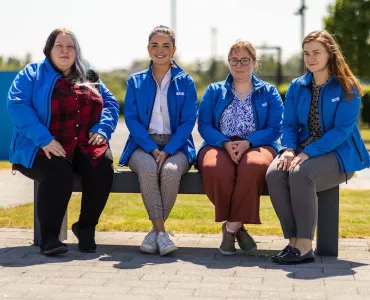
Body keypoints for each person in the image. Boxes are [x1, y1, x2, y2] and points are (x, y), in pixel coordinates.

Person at [8, 28, 119, 256]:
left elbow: (110, 103)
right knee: (58, 170)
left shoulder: (88, 73)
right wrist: (44, 140)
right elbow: (17, 106)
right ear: (49, 49)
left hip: (82, 143)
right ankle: (49, 237)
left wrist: (103, 129)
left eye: (70, 46)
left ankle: (86, 227)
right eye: (59, 46)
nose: (65, 51)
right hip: (42, 145)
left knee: (103, 166)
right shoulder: (32, 73)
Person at [266, 30, 370, 264]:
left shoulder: (348, 87)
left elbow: (341, 131)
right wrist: (290, 149)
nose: (310, 58)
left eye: (316, 53)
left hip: (338, 155)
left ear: (330, 54)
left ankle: (304, 246)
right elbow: (289, 124)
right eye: (306, 53)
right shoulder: (297, 86)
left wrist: (306, 154)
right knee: (274, 173)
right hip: (301, 149)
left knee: (301, 173)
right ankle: (293, 241)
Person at [197, 40, 284, 256]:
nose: (239, 65)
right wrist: (224, 143)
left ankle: (230, 227)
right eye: (234, 60)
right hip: (219, 143)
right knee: (214, 168)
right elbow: (205, 124)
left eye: (245, 60)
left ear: (254, 62)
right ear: (228, 62)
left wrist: (249, 142)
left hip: (258, 144)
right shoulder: (214, 91)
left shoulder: (269, 92)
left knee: (253, 165)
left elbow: (275, 127)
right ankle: (240, 228)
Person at [119, 25, 197, 256]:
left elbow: (187, 121)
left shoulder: (186, 81)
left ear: (173, 49)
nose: (160, 50)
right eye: (155, 45)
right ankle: (162, 234)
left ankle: (155, 232)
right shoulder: (135, 81)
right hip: (142, 145)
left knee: (171, 171)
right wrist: (153, 149)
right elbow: (131, 120)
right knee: (148, 169)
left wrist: (168, 150)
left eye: (165, 46)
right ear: (148, 49)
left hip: (178, 145)